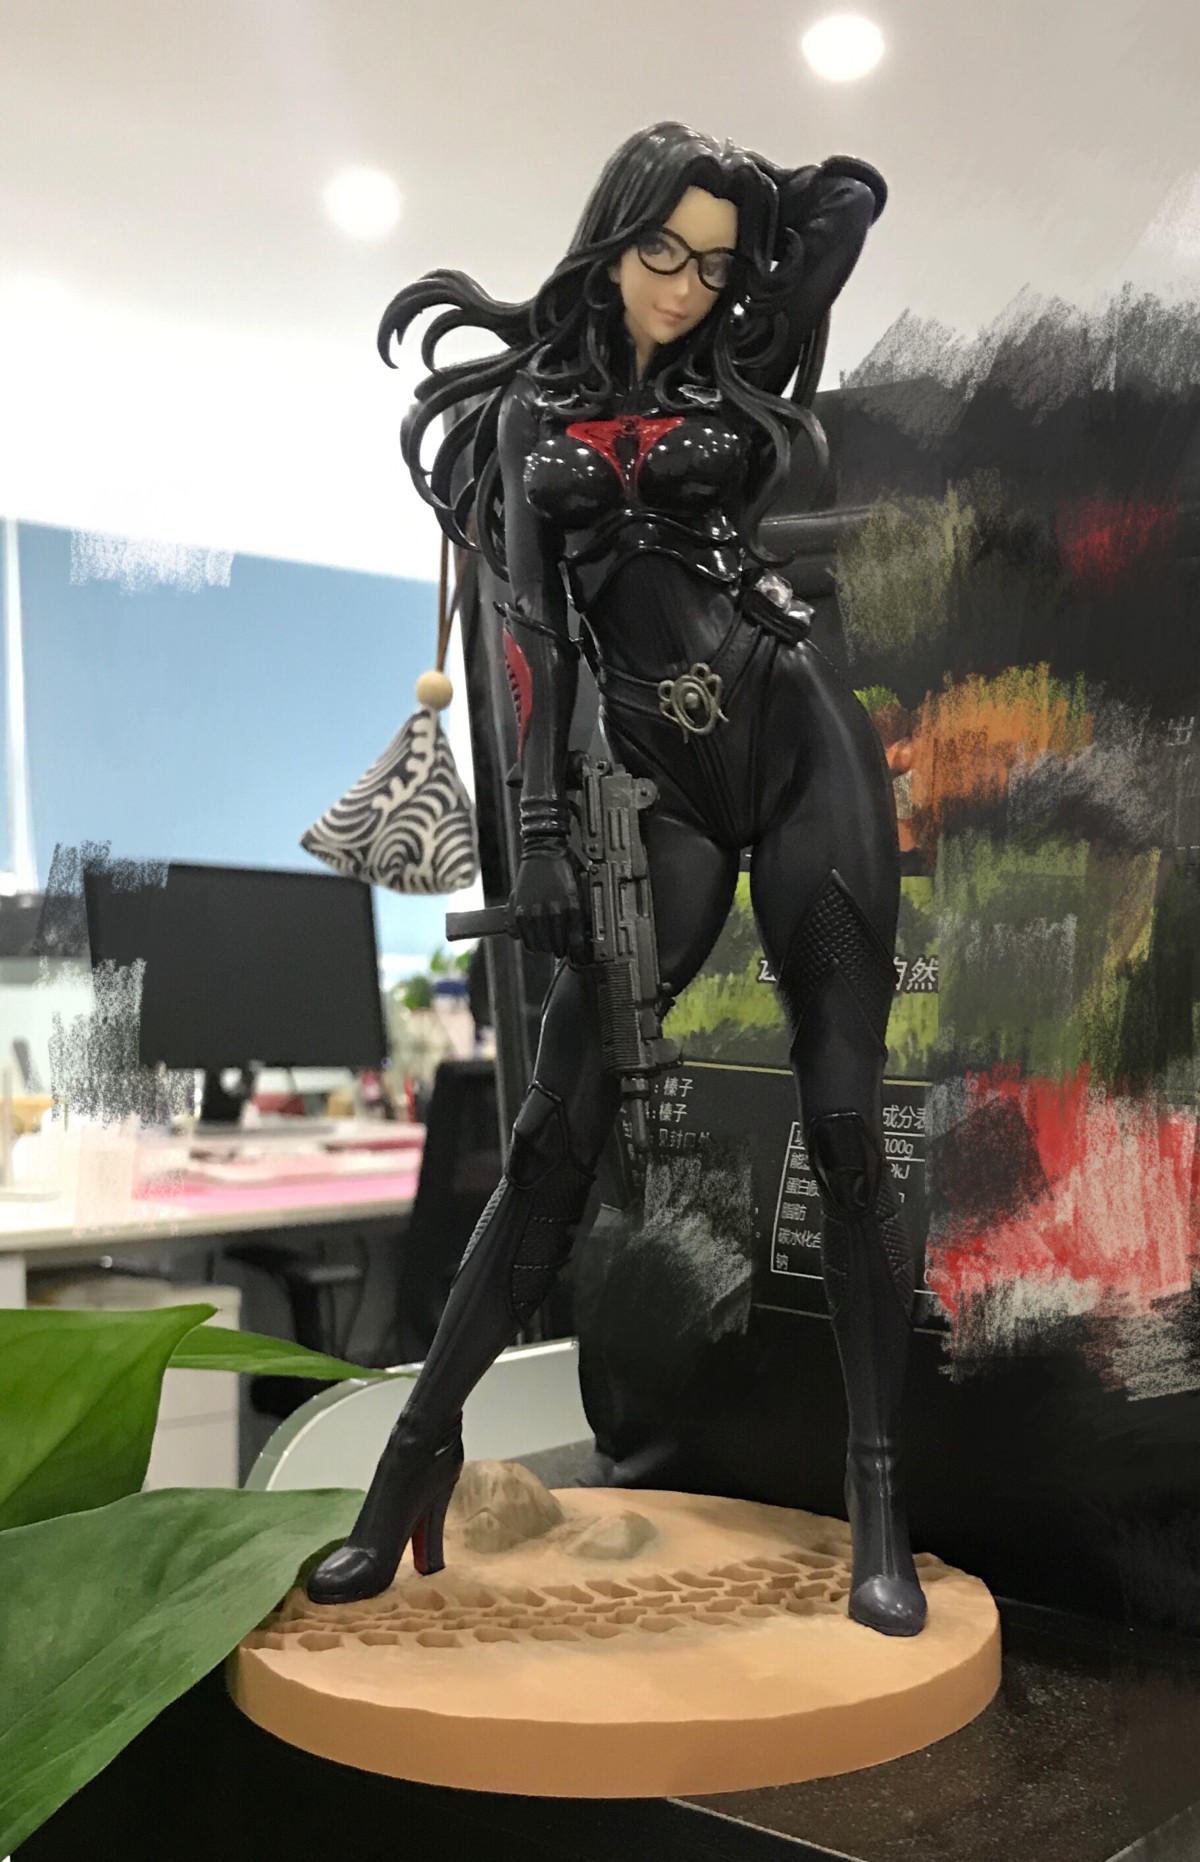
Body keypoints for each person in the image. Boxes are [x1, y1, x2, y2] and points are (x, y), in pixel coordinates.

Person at [308, 121, 926, 1637]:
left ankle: (880, 1509)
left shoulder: (737, 368)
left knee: (846, 1127)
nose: (686, 288)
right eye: (663, 251)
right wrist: (538, 844)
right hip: (651, 783)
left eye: (714, 265)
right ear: (611, 236)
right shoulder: (532, 412)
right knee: (551, 1137)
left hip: (799, 741)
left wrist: (765, 208)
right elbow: (532, 638)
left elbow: (855, 201)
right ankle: (408, 1467)